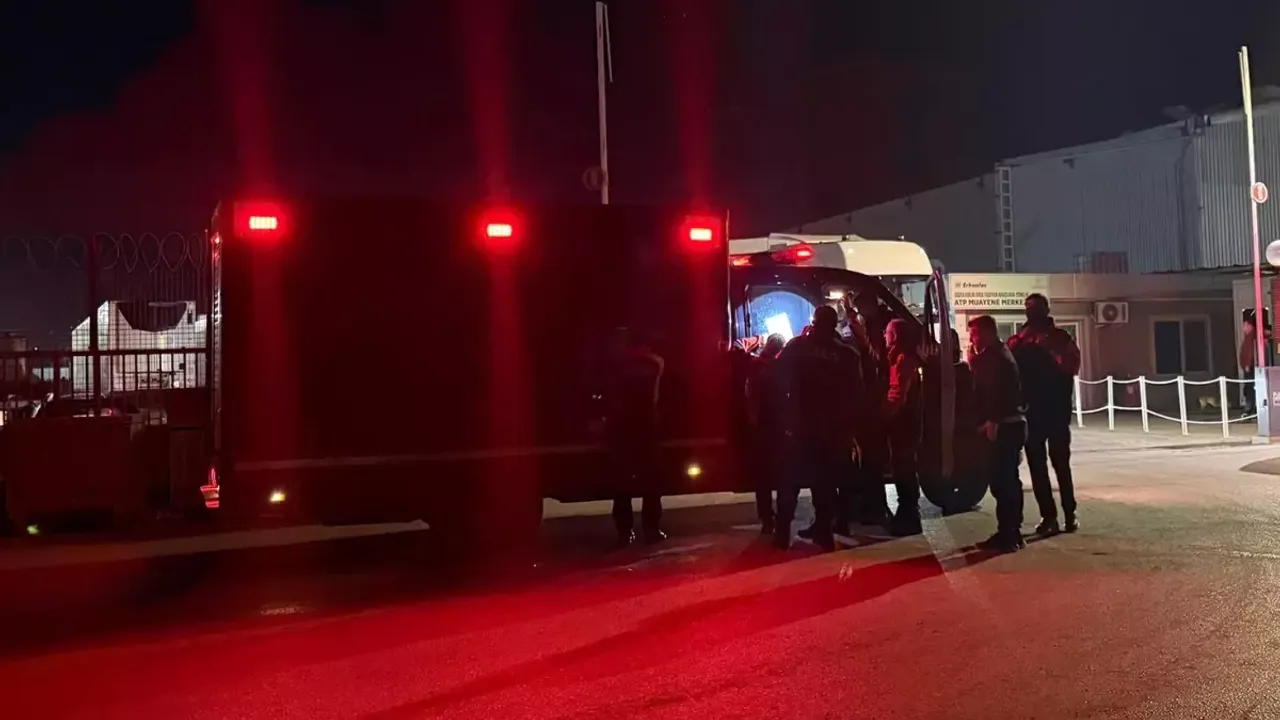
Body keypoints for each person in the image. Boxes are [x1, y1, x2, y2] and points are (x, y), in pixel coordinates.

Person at [773, 305, 866, 551]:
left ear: (814, 323)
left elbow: (776, 378)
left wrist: (784, 415)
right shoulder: (847, 354)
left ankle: (782, 533)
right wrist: (850, 430)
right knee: (825, 483)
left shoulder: (796, 347)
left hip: (799, 426)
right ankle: (824, 532)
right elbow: (856, 395)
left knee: (790, 481)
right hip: (832, 430)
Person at [1007, 293, 1081, 535]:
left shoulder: (1060, 338)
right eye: (1028, 307)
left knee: (1061, 465)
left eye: (1036, 307)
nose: (1032, 311)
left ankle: (1069, 513)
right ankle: (1048, 516)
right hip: (1032, 413)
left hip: (1057, 411)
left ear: (1046, 310)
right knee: (1037, 468)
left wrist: (1049, 351)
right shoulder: (1019, 340)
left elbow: (1072, 365)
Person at [968, 314, 1028, 552]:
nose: (972, 339)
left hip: (1005, 426)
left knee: (1003, 483)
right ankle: (1012, 531)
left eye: (974, 334)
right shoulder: (997, 354)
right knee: (1007, 481)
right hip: (1009, 425)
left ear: (987, 332)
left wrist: (992, 421)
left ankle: (1009, 535)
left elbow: (998, 393)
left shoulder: (996, 358)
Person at [602, 327, 666, 547]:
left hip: (621, 428)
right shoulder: (656, 363)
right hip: (647, 426)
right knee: (652, 484)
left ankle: (624, 533)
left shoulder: (617, 364)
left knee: (621, 486)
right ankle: (651, 530)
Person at [884, 317, 924, 536]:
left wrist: (884, 414)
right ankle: (906, 514)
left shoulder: (903, 360)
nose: (885, 336)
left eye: (888, 333)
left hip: (904, 424)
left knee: (904, 469)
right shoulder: (898, 357)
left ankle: (909, 516)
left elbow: (899, 394)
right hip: (902, 423)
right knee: (901, 468)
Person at [746, 334, 787, 533]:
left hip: (763, 426)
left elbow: (750, 394)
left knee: (762, 477)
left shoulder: (755, 364)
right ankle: (779, 517)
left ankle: (766, 518)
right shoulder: (778, 367)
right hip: (776, 425)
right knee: (780, 475)